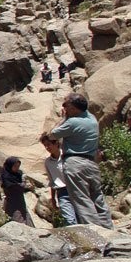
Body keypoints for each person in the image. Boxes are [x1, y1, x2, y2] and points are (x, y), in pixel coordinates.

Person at [49, 93, 113, 229]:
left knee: (81, 199)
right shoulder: (92, 119)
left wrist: (64, 118)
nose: (64, 107)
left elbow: (52, 134)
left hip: (74, 163)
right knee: (97, 197)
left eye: (66, 105)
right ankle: (108, 229)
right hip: (91, 163)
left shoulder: (71, 122)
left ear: (74, 107)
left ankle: (96, 233)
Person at [40, 133, 77, 226]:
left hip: (75, 189)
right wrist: (53, 199)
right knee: (69, 219)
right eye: (45, 146)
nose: (47, 147)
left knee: (82, 216)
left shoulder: (68, 155)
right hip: (62, 192)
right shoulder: (48, 162)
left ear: (56, 143)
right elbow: (52, 181)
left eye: (49, 144)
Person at [0, 156, 33, 225]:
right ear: (10, 166)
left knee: (26, 218)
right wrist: (22, 186)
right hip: (12, 203)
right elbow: (11, 186)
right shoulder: (6, 176)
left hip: (20, 201)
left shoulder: (18, 174)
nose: (17, 168)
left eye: (18, 166)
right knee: (17, 220)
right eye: (15, 166)